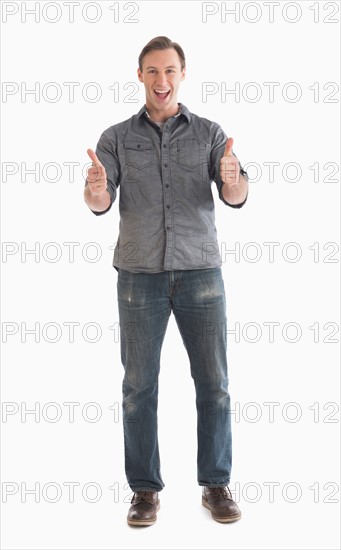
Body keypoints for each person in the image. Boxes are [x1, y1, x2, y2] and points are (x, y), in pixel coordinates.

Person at [84, 36, 249, 526]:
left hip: (201, 273)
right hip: (138, 278)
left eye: (170, 71)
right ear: (140, 75)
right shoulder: (116, 138)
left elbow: (236, 197)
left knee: (214, 383)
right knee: (138, 386)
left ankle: (216, 484)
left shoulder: (210, 133)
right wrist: (95, 189)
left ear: (182, 74)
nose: (162, 81)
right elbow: (100, 204)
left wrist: (232, 175)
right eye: (152, 71)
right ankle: (144, 491)